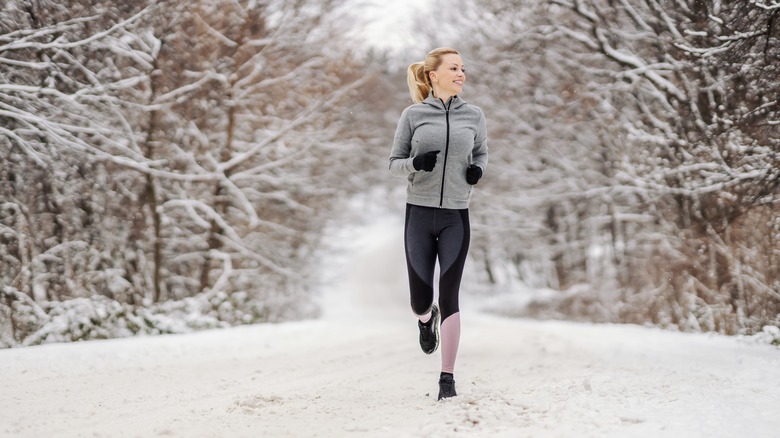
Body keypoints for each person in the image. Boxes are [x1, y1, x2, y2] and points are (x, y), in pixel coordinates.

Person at [388, 47, 488, 401]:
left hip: (455, 215)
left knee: (450, 295)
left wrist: (478, 170)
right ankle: (424, 318)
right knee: (420, 300)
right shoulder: (413, 115)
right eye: (454, 68)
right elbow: (393, 163)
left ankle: (447, 378)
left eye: (463, 68)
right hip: (419, 213)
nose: (461, 73)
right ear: (434, 76)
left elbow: (481, 153)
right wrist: (416, 163)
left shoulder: (474, 116)